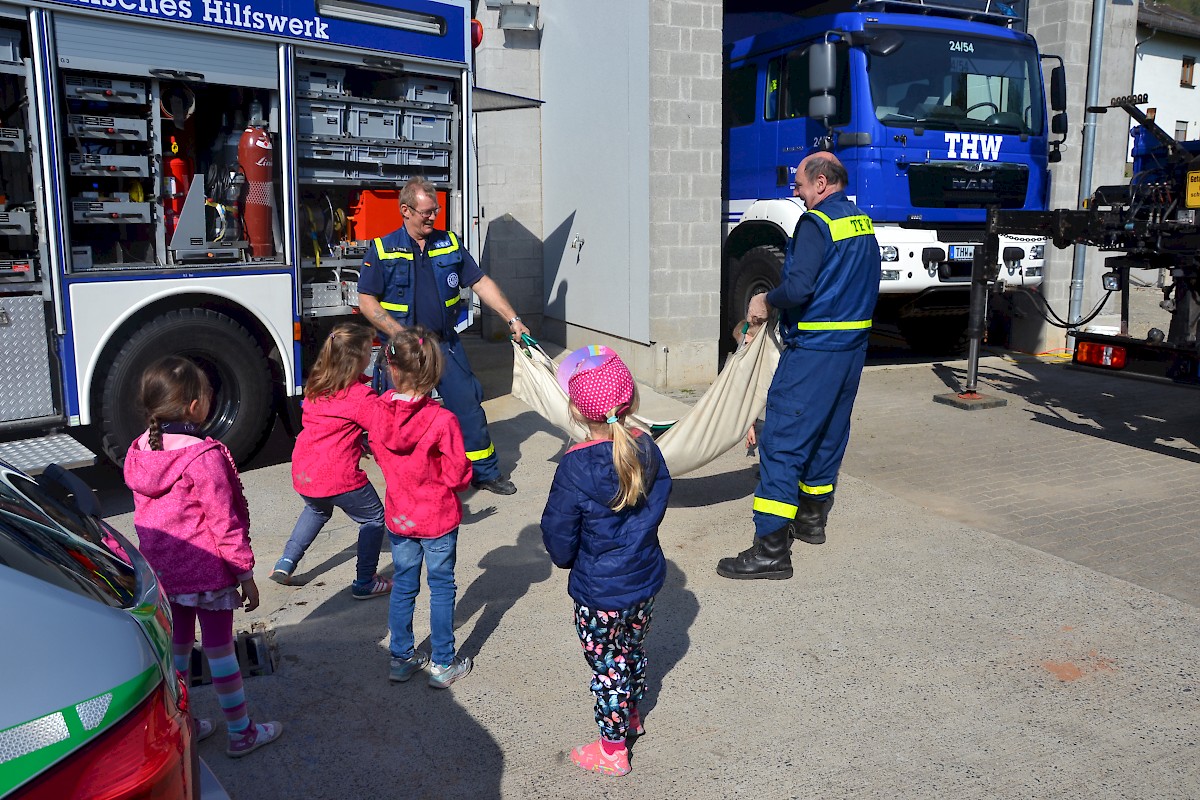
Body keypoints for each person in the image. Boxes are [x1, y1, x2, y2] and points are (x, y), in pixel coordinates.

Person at [717, 152, 880, 580]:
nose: (796, 191)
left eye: (801, 183)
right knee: (828, 434)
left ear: (822, 183)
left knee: (783, 443)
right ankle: (811, 520)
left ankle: (770, 550)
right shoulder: (861, 223)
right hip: (852, 350)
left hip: (814, 350)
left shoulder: (815, 223)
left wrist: (766, 300)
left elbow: (800, 286)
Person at [123, 356, 282, 757]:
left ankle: (185, 725)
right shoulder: (203, 456)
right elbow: (222, 522)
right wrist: (244, 572)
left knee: (177, 651)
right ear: (195, 406)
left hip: (165, 574)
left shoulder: (141, 450)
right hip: (208, 572)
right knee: (219, 650)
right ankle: (241, 732)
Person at [541, 346, 672, 778]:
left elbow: (559, 535)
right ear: (631, 400)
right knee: (632, 650)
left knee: (608, 667)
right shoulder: (649, 449)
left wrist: (569, 561)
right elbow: (659, 501)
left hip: (599, 592)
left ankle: (613, 750)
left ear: (577, 410)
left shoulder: (574, 467)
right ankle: (632, 716)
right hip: (643, 582)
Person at [357, 177, 529, 496]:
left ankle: (484, 472)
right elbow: (366, 300)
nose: (432, 217)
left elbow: (480, 283)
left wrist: (512, 317)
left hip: (445, 344)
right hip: (406, 351)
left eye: (435, 211)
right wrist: (399, 334)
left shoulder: (449, 243)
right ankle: (407, 482)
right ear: (405, 210)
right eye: (426, 212)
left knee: (468, 407)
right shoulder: (383, 249)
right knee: (402, 419)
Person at [369, 325, 475, 688]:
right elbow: (459, 474)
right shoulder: (442, 420)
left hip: (400, 515)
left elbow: (380, 453)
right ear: (433, 371)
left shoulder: (378, 414)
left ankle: (401, 657)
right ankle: (443, 662)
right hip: (438, 517)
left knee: (404, 586)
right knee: (442, 587)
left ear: (391, 368)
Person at [270, 323, 391, 600]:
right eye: (367, 351)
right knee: (373, 518)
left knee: (317, 510)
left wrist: (354, 439)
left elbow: (328, 425)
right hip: (338, 476)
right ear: (358, 358)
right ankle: (366, 581)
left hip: (305, 471)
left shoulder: (317, 385)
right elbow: (384, 431)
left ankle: (285, 563)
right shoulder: (361, 397)